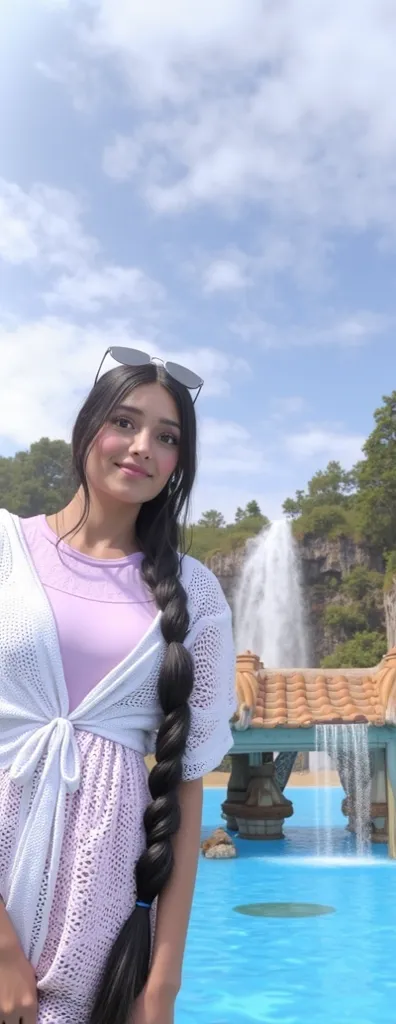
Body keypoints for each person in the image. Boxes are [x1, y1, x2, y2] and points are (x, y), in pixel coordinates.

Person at [0, 348, 236, 1024]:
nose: (143, 447)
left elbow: (187, 785)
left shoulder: (195, 595)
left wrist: (160, 987)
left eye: (168, 437)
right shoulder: (6, 550)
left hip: (103, 918)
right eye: (126, 422)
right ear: (87, 428)